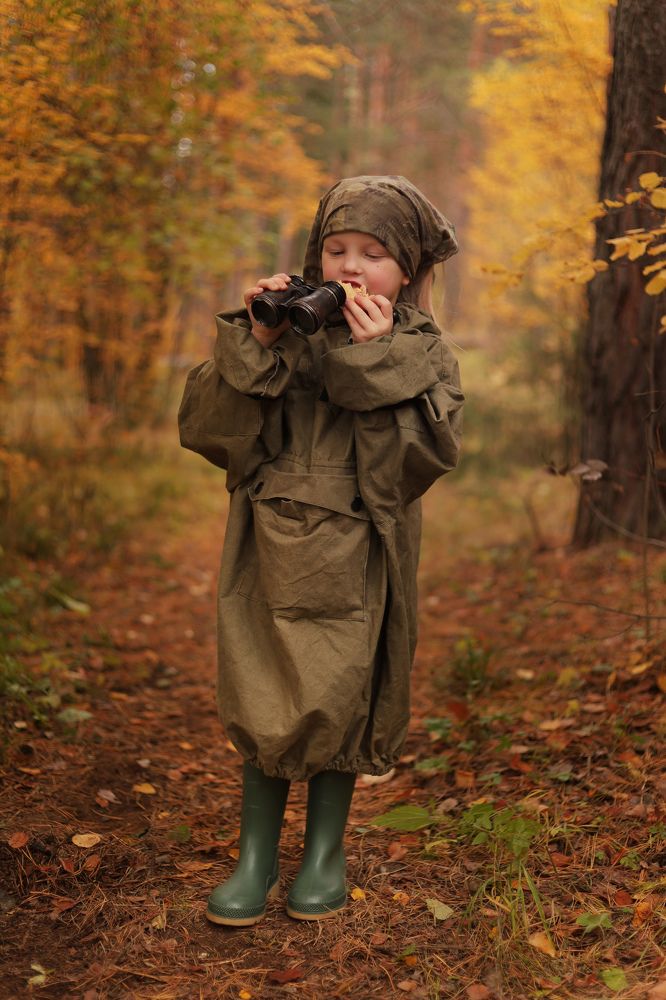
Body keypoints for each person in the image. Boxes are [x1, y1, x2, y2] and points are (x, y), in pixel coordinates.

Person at [178, 175, 464, 926]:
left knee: (345, 688)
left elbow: (413, 467)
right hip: (268, 542)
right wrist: (257, 342)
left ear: (408, 270)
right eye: (336, 249)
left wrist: (375, 359)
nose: (351, 267)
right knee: (263, 678)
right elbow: (209, 433)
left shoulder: (422, 350)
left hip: (363, 549)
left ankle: (323, 856)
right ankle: (256, 858)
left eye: (373, 253)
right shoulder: (289, 334)